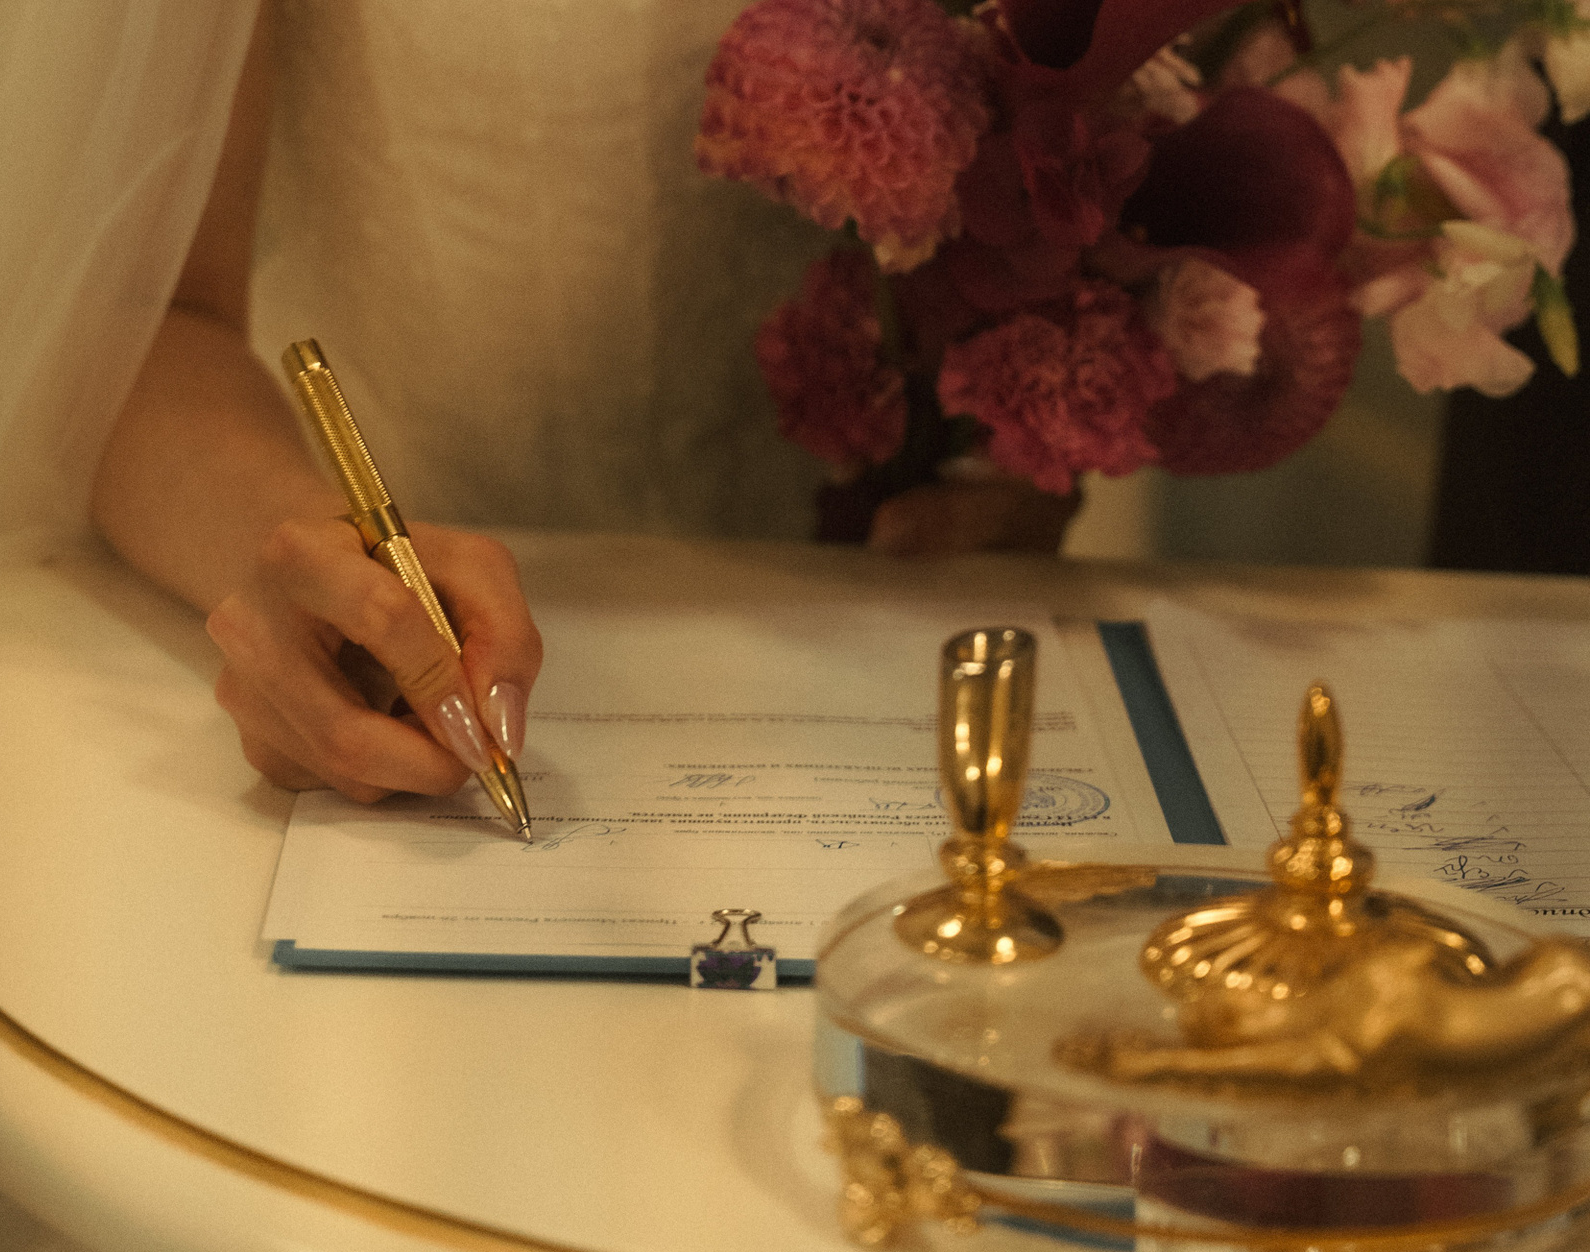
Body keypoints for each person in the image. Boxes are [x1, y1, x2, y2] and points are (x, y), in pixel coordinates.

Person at [91, 0, 1078, 804]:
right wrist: (315, 572)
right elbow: (140, 325)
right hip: (393, 610)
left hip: (893, 642)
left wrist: (1030, 431)